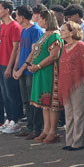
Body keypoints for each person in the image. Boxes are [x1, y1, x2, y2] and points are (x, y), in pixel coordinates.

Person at [27, 10, 64, 144]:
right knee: (44, 104)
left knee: (51, 102)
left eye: (40, 18)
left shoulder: (55, 36)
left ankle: (53, 131)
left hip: (49, 72)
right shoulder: (45, 34)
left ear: (47, 20)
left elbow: (54, 56)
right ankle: (46, 129)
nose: (37, 20)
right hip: (40, 72)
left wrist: (38, 66)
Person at [12, 5, 45, 139]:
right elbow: (20, 49)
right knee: (26, 100)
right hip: (22, 70)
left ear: (22, 16)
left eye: (17, 15)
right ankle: (30, 126)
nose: (16, 18)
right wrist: (16, 67)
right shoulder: (23, 30)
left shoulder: (35, 30)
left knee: (34, 101)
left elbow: (34, 52)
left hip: (30, 70)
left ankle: (37, 128)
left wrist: (22, 68)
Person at [58, 21, 84, 151]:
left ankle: (78, 142)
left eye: (64, 30)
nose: (61, 32)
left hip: (79, 83)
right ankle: (69, 140)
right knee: (69, 113)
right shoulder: (64, 47)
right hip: (66, 83)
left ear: (72, 32)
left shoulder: (81, 46)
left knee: (79, 113)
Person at [0, 1, 23, 135]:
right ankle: (9, 119)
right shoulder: (3, 26)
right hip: (1, 63)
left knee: (12, 94)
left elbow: (16, 48)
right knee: (4, 94)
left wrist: (9, 67)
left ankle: (15, 121)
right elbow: (1, 46)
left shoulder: (15, 26)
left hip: (8, 65)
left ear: (7, 10)